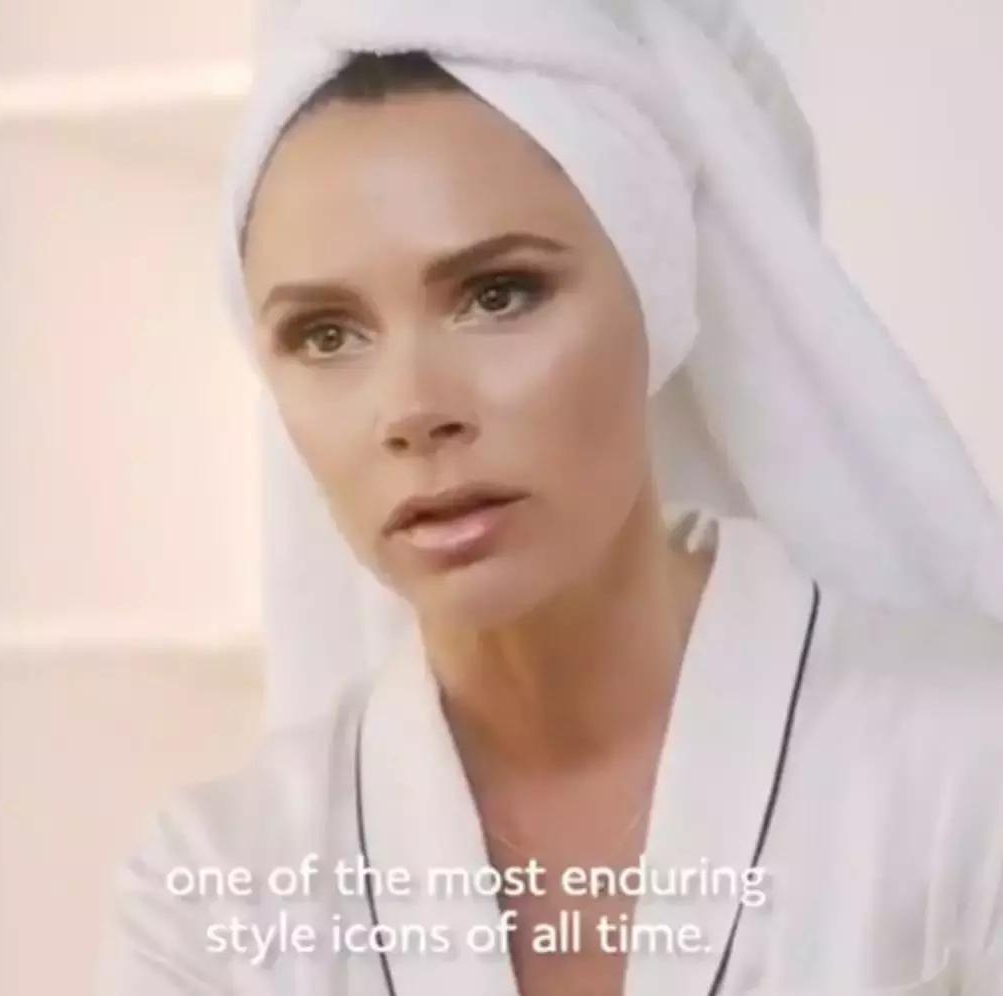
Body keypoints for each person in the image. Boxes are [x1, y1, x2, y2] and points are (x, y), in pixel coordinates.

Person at [96, 1, 1003, 993]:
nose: (414, 409)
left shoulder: (965, 774)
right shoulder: (217, 890)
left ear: (656, 292)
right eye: (326, 334)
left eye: (498, 295)